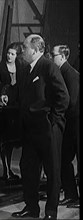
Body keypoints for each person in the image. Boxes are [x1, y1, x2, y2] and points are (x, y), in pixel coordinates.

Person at [0, 34, 69, 220]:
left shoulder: (49, 67)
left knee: (52, 171)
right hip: (30, 129)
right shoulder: (24, 68)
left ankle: (51, 213)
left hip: (48, 129)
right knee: (28, 168)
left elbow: (63, 96)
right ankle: (31, 208)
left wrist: (53, 120)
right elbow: (18, 90)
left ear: (37, 49)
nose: (22, 50)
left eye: (25, 47)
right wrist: (8, 95)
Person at [51, 44, 80, 208]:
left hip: (74, 124)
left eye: (53, 55)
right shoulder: (61, 72)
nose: (51, 57)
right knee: (64, 160)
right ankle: (71, 195)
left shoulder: (71, 74)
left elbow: (72, 102)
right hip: (69, 124)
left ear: (62, 57)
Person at [0, 42, 24, 182]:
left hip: (17, 107)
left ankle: (10, 171)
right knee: (5, 139)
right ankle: (6, 170)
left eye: (12, 54)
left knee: (14, 140)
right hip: (5, 108)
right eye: (8, 53)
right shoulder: (0, 67)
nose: (9, 56)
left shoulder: (21, 67)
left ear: (17, 56)